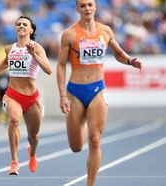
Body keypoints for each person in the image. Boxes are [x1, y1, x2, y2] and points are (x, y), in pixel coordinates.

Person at [56, 0, 143, 185]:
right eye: (83, 5)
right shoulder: (69, 34)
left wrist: (129, 61)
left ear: (95, 7)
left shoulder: (106, 31)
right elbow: (61, 65)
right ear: (77, 9)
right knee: (76, 147)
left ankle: (91, 183)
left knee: (95, 139)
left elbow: (118, 53)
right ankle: (82, 122)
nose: (87, 8)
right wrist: (62, 95)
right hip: (75, 91)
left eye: (90, 4)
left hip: (97, 89)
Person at [0, 16, 52, 175]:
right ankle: (14, 161)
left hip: (32, 98)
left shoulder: (37, 47)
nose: (21, 26)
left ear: (31, 29)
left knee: (34, 136)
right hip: (13, 95)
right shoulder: (9, 49)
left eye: (25, 24)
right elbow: (6, 62)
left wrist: (34, 55)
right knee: (14, 120)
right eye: (18, 24)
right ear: (15, 29)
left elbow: (48, 70)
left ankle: (32, 155)